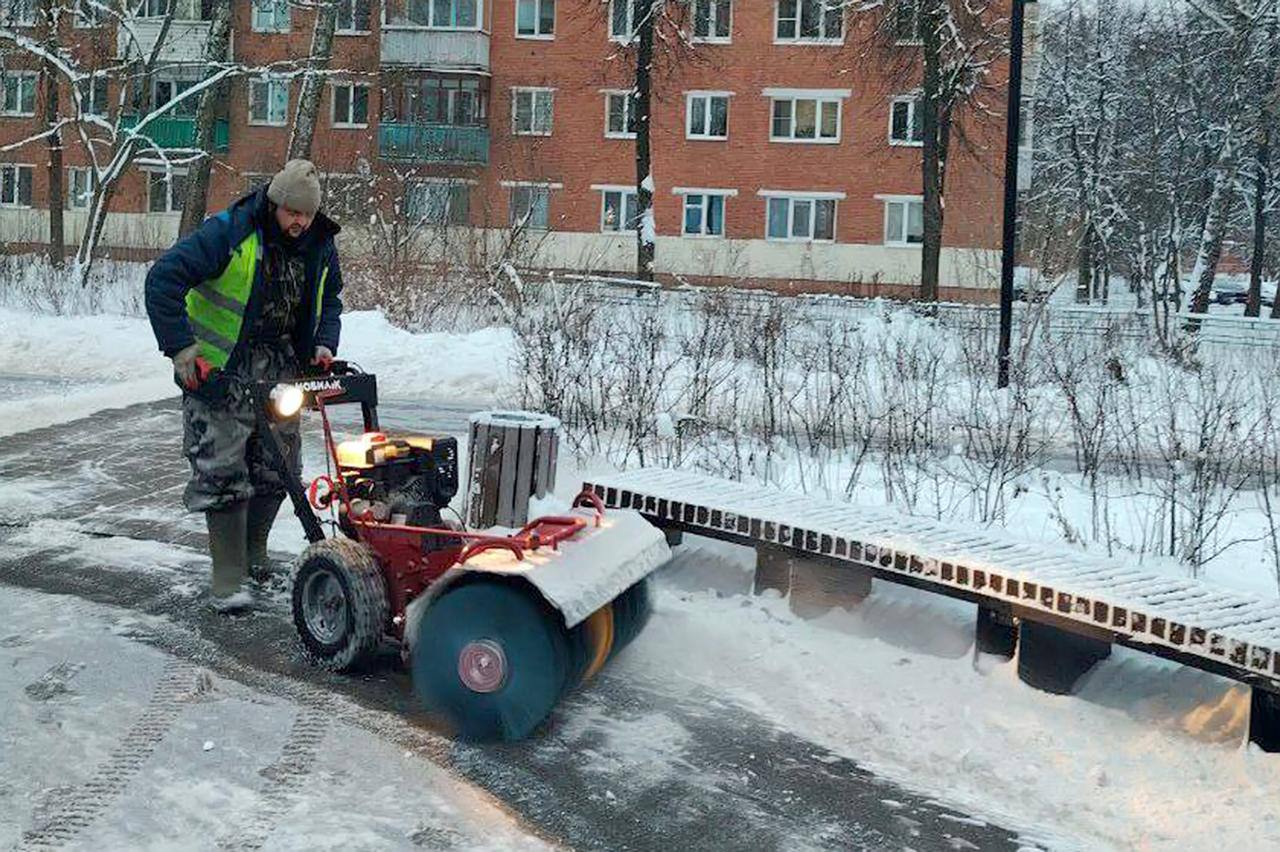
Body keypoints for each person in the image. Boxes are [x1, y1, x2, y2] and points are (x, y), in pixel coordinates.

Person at [144, 159, 343, 612]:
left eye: (306, 215)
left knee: (278, 467)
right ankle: (228, 578)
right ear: (274, 204)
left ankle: (256, 559)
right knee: (221, 469)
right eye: (292, 213)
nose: (299, 223)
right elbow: (163, 280)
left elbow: (330, 299)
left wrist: (323, 344)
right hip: (221, 370)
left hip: (279, 368)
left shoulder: (319, 245)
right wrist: (183, 351)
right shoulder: (229, 233)